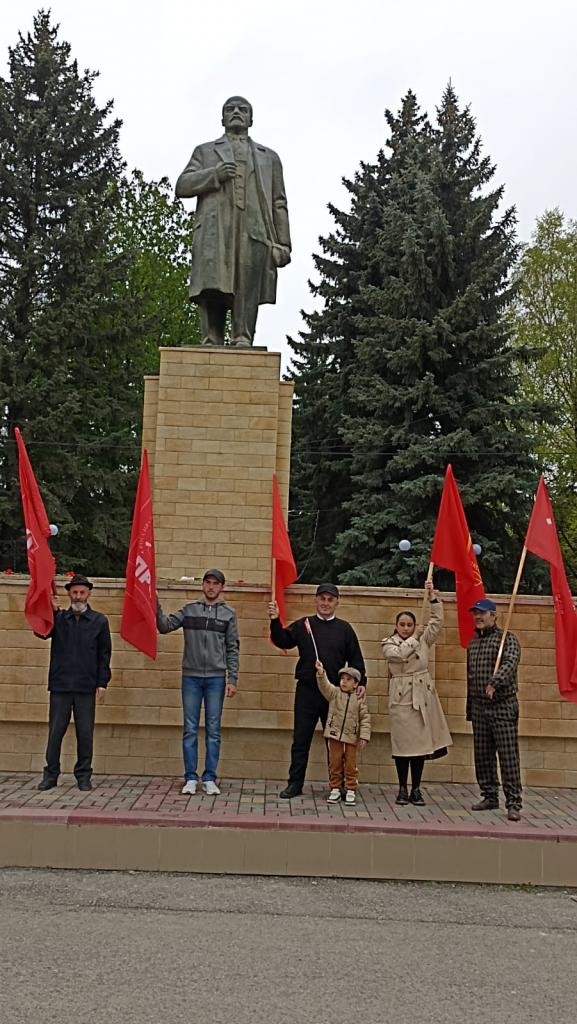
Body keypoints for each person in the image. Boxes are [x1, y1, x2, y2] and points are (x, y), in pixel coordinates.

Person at [175, 96, 291, 347]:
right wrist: (214, 174)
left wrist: (284, 244)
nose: (236, 112)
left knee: (247, 284)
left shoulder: (269, 157)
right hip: (216, 227)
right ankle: (211, 337)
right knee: (213, 282)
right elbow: (182, 186)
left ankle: (243, 336)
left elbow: (279, 202)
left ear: (251, 119)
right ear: (222, 118)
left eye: (242, 109)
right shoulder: (205, 151)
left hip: (254, 228)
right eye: (230, 109)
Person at [268, 583, 366, 799]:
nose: (325, 603)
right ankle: (295, 784)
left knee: (336, 743)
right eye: (322, 598)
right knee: (300, 740)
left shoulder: (345, 629)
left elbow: (356, 660)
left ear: (337, 603)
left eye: (330, 599)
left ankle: (339, 785)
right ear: (315, 600)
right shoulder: (304, 625)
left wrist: (362, 683)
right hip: (307, 691)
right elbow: (282, 640)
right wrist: (275, 620)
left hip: (335, 695)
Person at [157, 569, 239, 796]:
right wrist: (153, 602)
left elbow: (233, 648)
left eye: (215, 583)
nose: (211, 587)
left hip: (216, 678)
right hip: (191, 677)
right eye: (208, 582)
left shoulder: (229, 614)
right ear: (202, 585)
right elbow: (165, 626)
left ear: (222, 587)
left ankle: (210, 777)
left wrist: (232, 678)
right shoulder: (189, 610)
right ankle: (191, 778)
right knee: (190, 728)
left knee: (213, 729)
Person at [37, 574, 111, 792]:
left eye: (82, 592)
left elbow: (104, 654)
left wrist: (102, 682)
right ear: (69, 593)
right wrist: (51, 611)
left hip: (86, 686)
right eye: (75, 592)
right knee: (55, 732)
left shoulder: (99, 621)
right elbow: (41, 632)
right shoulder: (59, 618)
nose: (78, 596)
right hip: (60, 685)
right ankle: (50, 775)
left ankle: (84, 776)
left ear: (89, 594)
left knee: (85, 733)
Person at [381, 581, 452, 806]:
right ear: (396, 626)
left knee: (419, 748)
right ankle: (402, 788)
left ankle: (416, 789)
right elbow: (399, 655)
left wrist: (432, 599)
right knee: (403, 747)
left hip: (422, 696)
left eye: (410, 624)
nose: (406, 628)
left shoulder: (423, 639)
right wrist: (414, 638)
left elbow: (437, 622)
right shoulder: (388, 643)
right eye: (402, 624)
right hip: (401, 697)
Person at [466, 598, 522, 822]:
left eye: (482, 613)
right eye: (475, 613)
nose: (478, 617)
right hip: (479, 707)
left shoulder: (507, 639)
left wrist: (494, 682)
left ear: (494, 615)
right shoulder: (473, 644)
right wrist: (470, 708)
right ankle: (489, 796)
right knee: (482, 755)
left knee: (508, 757)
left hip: (503, 706)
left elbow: (510, 663)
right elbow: (470, 678)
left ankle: (514, 802)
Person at [315, 660, 371, 805]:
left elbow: (365, 719)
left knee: (351, 764)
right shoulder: (335, 694)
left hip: (351, 737)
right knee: (335, 762)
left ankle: (350, 788)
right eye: (342, 679)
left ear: (356, 684)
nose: (344, 682)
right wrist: (321, 673)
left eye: (348, 679)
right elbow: (325, 686)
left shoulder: (359, 700)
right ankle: (335, 788)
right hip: (334, 735)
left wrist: (364, 736)